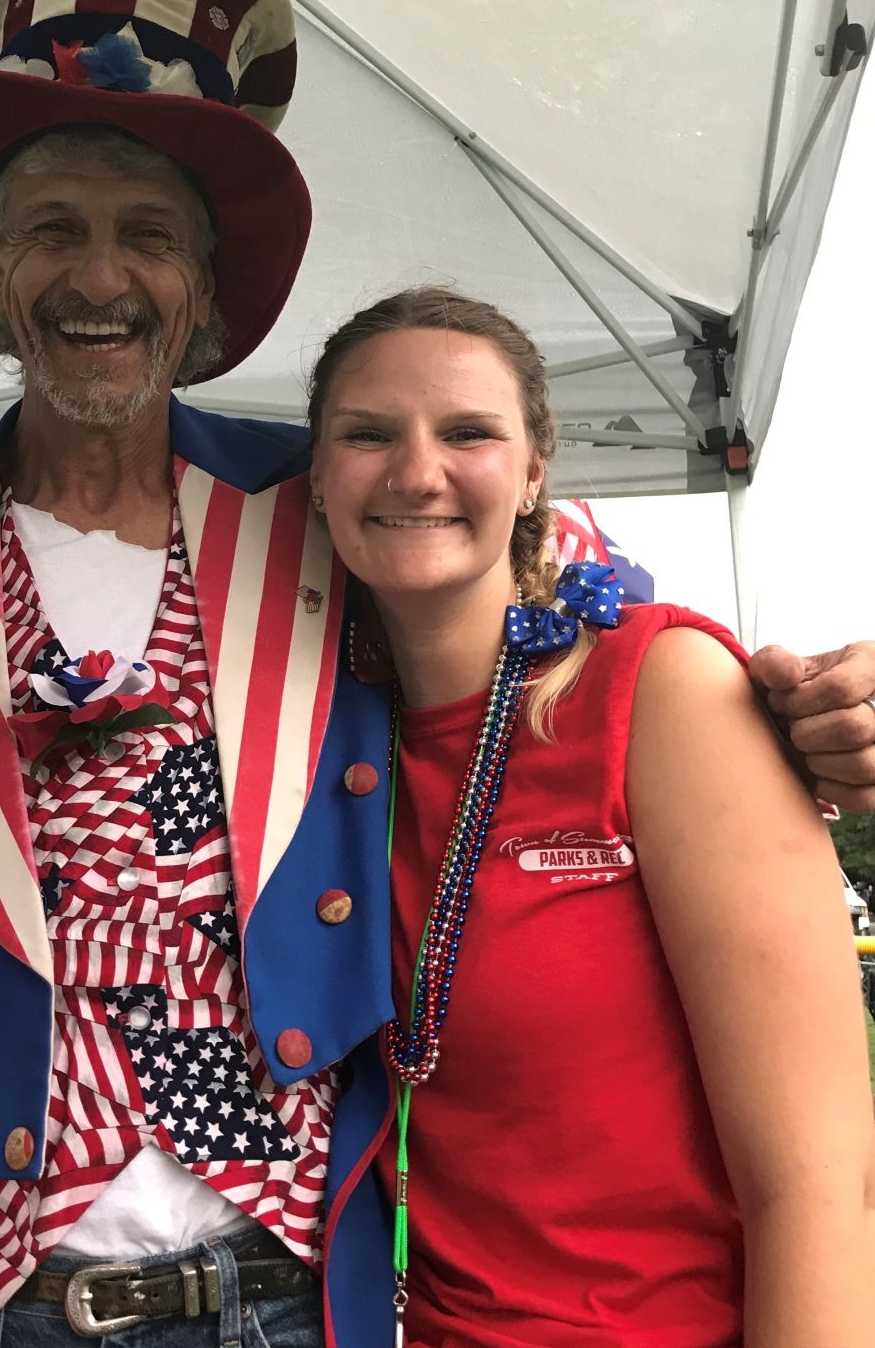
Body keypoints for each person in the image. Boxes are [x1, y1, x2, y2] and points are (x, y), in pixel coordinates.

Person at [0, 0, 875, 1348]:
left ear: (206, 292)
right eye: (52, 231)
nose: (99, 276)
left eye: (147, 237)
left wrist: (799, 706)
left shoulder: (322, 497)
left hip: (285, 1289)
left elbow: (547, 587)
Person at [305, 286, 875, 1347]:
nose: (416, 471)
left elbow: (823, 1190)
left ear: (531, 475)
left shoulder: (658, 692)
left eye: (469, 432)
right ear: (319, 481)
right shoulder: (313, 744)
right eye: (368, 434)